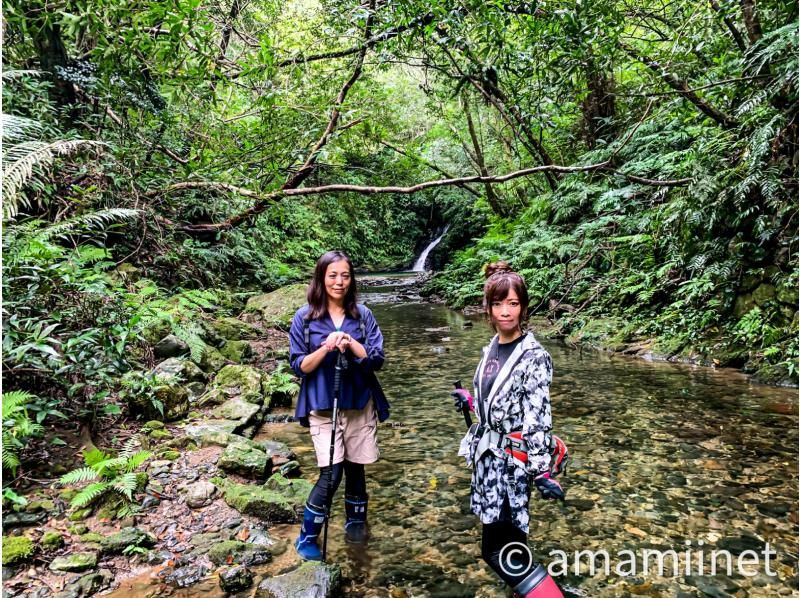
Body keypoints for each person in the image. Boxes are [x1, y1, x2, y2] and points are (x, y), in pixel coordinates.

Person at [452, 261, 566, 597]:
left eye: (513, 304)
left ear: (524, 307)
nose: (506, 312)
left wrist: (543, 471)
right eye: (498, 304)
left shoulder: (534, 356)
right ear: (487, 308)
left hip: (512, 465)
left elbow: (538, 416)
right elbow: (500, 400)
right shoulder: (492, 347)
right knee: (513, 546)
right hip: (489, 461)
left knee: (496, 550)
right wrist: (471, 401)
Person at [289, 250, 390, 561]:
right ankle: (307, 536)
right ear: (321, 278)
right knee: (331, 474)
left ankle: (356, 523)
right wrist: (326, 348)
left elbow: (376, 358)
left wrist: (350, 343)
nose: (339, 281)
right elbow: (299, 365)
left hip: (359, 403)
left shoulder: (363, 315)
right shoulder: (304, 318)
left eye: (345, 275)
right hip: (322, 405)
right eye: (333, 275)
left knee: (356, 468)